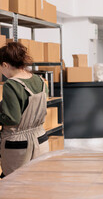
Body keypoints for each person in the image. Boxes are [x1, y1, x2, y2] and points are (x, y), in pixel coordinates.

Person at [0, 42, 49, 178]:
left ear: (5, 65)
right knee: (37, 180)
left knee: (13, 183)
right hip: (40, 139)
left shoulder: (11, 84)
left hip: (18, 144)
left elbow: (12, 118)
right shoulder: (40, 81)